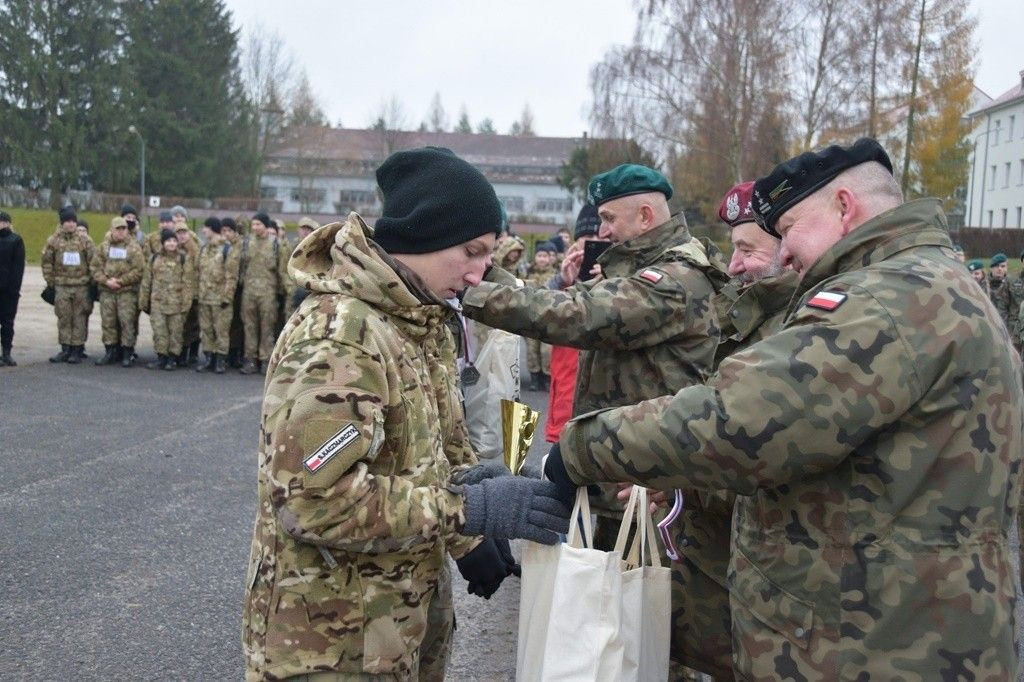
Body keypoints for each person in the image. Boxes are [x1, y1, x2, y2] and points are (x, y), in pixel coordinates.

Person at [548, 138, 1023, 680]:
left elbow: (734, 418)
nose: (782, 252)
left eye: (790, 227)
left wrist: (576, 451)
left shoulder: (883, 302)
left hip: (874, 647)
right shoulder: (938, 283)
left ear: (845, 207)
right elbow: (857, 471)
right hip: (918, 628)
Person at [242, 147, 570, 681]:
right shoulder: (342, 338)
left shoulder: (416, 322)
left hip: (394, 626)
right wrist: (468, 511)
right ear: (424, 232)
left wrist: (478, 494)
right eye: (471, 250)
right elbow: (313, 502)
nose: (478, 273)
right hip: (330, 646)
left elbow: (431, 449)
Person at [462, 163, 729, 553]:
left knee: (640, 604)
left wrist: (474, 291)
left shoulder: (674, 281)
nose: (602, 231)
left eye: (608, 218)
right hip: (622, 474)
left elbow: (579, 315)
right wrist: (485, 273)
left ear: (645, 216)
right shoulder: (641, 272)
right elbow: (567, 300)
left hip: (649, 486)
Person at [42, 206, 95, 364]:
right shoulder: (54, 240)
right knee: (64, 317)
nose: (71, 224)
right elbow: (46, 262)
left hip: (81, 286)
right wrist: (51, 281)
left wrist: (91, 283)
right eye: (68, 221)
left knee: (79, 318)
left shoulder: (85, 240)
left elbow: (94, 262)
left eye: (73, 221)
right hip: (62, 286)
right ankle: (65, 348)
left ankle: (77, 349)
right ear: (62, 223)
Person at [91, 216, 145, 366]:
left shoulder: (134, 248)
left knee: (127, 322)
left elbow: (139, 270)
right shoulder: (103, 247)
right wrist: (106, 281)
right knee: (108, 322)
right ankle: (110, 351)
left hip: (126, 292)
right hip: (107, 291)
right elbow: (95, 267)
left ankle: (127, 353)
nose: (121, 232)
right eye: (118, 229)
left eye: (124, 229)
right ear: (112, 230)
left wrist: (121, 281)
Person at [239, 211, 289, 374]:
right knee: (249, 326)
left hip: (268, 293)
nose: (255, 227)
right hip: (249, 292)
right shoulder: (246, 243)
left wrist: (287, 292)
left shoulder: (276, 244)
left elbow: (282, 270)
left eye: (258, 224)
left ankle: (265, 360)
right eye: (253, 224)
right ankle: (250, 360)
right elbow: (241, 268)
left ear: (266, 226)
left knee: (267, 327)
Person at [139, 229, 195, 371]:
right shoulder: (154, 259)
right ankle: (161, 357)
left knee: (175, 333)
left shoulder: (183, 259)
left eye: (174, 241)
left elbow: (188, 283)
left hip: (176, 304)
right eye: (168, 241)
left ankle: (172, 359)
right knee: (159, 332)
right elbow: (147, 281)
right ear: (163, 243)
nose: (171, 243)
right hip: (158, 303)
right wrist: (144, 301)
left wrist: (186, 304)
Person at [196, 217, 241, 374]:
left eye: (205, 228)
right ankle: (209, 359)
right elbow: (199, 273)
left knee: (221, 331)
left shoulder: (227, 250)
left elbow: (231, 277)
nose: (203, 230)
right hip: (205, 298)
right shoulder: (204, 249)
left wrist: (227, 298)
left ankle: (220, 361)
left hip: (220, 299)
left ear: (212, 229)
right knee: (207, 330)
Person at [523, 241, 557, 391]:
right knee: (532, 350)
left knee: (546, 351)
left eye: (545, 256)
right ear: (535, 257)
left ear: (550, 258)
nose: (542, 259)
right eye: (539, 255)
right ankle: (535, 378)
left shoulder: (555, 275)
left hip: (549, 319)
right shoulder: (528, 274)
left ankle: (547, 377)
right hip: (531, 318)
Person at [174, 222, 202, 366]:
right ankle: (182, 353)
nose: (182, 236)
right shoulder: (174, 250)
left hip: (195, 292)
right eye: (179, 233)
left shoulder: (196, 250)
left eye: (184, 233)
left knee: (195, 324)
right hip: (180, 293)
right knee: (182, 325)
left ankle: (193, 354)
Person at [0, 210, 25, 366]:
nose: (1, 224)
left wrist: (14, 289)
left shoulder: (16, 240)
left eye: (4, 221)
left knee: (8, 323)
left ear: (9, 223)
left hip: (9, 291)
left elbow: (18, 267)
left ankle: (6, 353)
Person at [221, 217, 246, 369]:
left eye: (229, 231)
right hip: (223, 288)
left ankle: (235, 355)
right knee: (226, 325)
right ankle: (226, 354)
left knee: (237, 323)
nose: (226, 234)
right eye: (223, 231)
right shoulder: (220, 245)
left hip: (239, 288)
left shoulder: (241, 245)